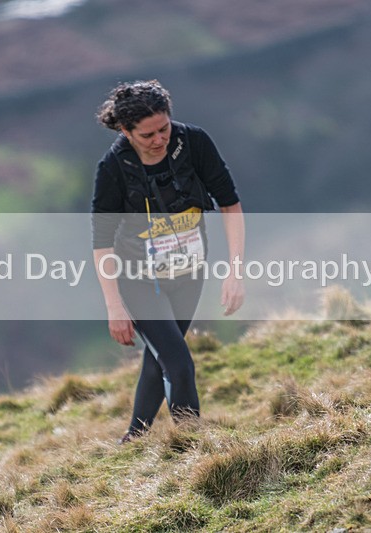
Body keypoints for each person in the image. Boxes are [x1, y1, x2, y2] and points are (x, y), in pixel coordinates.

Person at [91, 80, 244, 443]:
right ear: (126, 131)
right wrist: (114, 306)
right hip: (137, 277)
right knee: (179, 363)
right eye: (148, 135)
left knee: (162, 353)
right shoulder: (112, 168)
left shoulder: (194, 143)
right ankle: (191, 449)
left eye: (164, 128)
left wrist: (235, 270)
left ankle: (134, 437)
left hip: (189, 268)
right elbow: (101, 243)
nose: (160, 139)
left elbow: (230, 203)